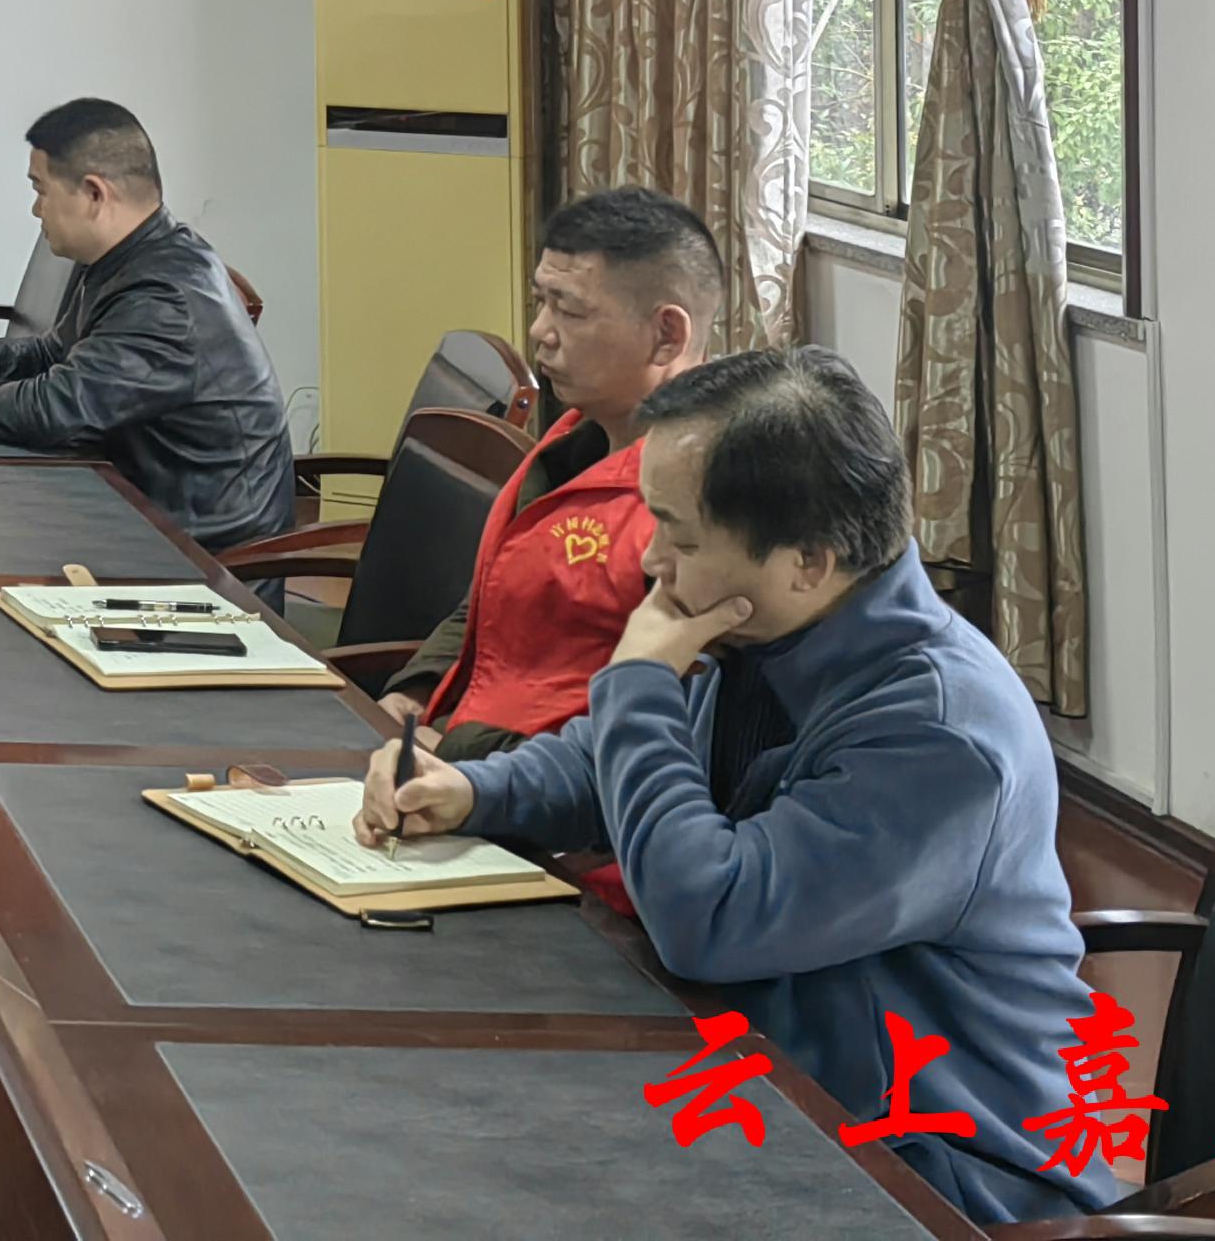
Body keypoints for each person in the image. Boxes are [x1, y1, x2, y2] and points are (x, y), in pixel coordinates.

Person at [359, 347, 1112, 1221]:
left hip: (931, 1170)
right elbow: (612, 764)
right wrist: (474, 790)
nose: (652, 562)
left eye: (680, 538)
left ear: (808, 560)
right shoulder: (772, 629)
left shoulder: (939, 733)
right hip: (770, 1083)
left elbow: (708, 919)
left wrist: (638, 681)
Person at [375, 185, 725, 761]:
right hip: (455, 755)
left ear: (668, 336)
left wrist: (463, 757)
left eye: (570, 310)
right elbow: (494, 600)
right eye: (542, 301)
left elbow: (651, 729)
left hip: (533, 793)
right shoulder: (575, 436)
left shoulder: (700, 508)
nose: (540, 330)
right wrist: (416, 692)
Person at [0, 99, 295, 554]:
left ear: (95, 195)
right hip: (140, 514)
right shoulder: (131, 257)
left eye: (41, 190)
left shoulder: (163, 297)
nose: (36, 209)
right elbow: (52, 355)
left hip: (205, 559)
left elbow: (56, 411)